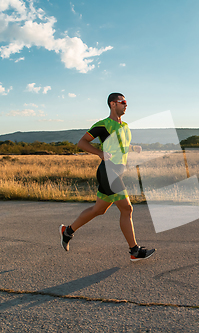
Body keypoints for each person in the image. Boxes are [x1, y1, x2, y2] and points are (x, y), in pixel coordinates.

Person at [60, 92, 155, 262]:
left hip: (116, 172)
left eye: (126, 102)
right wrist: (100, 153)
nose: (126, 105)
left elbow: (121, 145)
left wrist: (133, 149)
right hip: (108, 171)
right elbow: (82, 143)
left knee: (99, 210)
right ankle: (134, 251)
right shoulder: (103, 125)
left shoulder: (125, 126)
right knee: (127, 209)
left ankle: (68, 231)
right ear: (113, 104)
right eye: (123, 102)